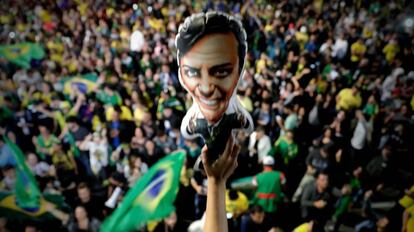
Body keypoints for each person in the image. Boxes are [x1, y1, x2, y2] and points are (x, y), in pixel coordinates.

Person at [176, 12, 253, 166]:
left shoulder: (236, 119)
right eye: (192, 72)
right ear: (182, 76)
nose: (206, 89)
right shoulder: (192, 124)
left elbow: (245, 125)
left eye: (221, 71)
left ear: (239, 72)